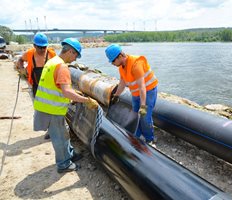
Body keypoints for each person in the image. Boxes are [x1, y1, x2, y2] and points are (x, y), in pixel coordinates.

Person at [33, 38, 99, 173]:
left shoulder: (52, 61)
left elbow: (56, 86)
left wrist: (74, 92)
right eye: (75, 55)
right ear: (70, 51)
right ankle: (64, 164)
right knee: (60, 138)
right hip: (52, 109)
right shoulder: (62, 67)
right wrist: (85, 100)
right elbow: (66, 91)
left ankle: (69, 154)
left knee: (64, 132)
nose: (75, 60)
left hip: (47, 107)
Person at [105, 44, 158, 146]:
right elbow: (122, 83)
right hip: (136, 93)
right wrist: (116, 95)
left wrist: (143, 106)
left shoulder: (136, 64)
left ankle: (149, 139)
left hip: (148, 91)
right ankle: (136, 136)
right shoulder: (121, 67)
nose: (112, 63)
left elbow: (142, 87)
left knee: (145, 116)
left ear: (120, 56)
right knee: (135, 115)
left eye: (113, 61)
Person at [17, 32, 56, 97]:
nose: (42, 49)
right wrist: (22, 69)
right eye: (40, 47)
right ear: (34, 45)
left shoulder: (51, 54)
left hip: (50, 87)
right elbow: (20, 60)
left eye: (44, 47)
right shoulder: (29, 54)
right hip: (36, 87)